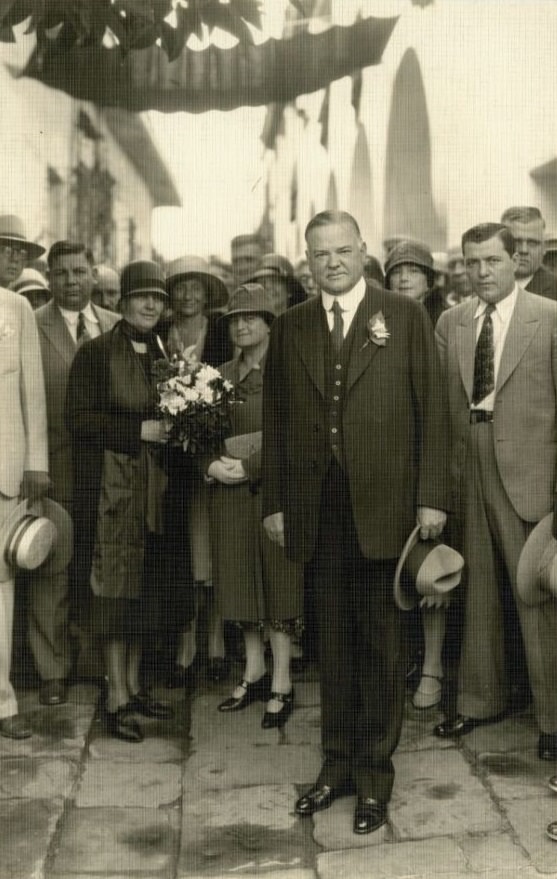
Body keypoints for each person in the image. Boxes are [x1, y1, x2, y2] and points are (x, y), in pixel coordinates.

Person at [262, 210, 449, 834]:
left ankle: (374, 777)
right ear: (307, 261)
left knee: (380, 646)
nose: (333, 262)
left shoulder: (404, 316)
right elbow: (280, 421)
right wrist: (276, 505)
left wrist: (431, 498)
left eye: (344, 250)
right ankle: (335, 766)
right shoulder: (290, 327)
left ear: (363, 251)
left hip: (388, 511)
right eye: (321, 254)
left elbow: (434, 413)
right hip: (320, 513)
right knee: (333, 646)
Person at [433, 223, 557, 761]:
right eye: (472, 262)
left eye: (492, 261)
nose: (482, 272)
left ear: (516, 261)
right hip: (469, 466)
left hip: (530, 471)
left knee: (535, 596)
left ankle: (553, 717)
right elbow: (439, 407)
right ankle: (479, 700)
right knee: (477, 588)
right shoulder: (451, 323)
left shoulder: (549, 320)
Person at [66, 260, 183, 742]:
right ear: (122, 302)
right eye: (142, 297)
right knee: (113, 595)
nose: (151, 304)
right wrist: (138, 430)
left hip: (152, 492)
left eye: (158, 297)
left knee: (144, 593)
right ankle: (115, 696)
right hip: (109, 493)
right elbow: (80, 421)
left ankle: (134, 687)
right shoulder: (95, 354)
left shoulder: (162, 351)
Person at [207, 283, 303, 728]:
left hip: (275, 491)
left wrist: (253, 467)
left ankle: (282, 679)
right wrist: (210, 465)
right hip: (227, 494)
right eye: (234, 319)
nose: (241, 325)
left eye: (251, 318)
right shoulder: (217, 376)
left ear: (270, 324)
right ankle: (254, 669)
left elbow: (301, 433)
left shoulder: (290, 370)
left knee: (280, 579)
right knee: (240, 579)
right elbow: (197, 435)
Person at [32, 242, 118, 706]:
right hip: (56, 466)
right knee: (55, 568)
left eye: (80, 272)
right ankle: (52, 671)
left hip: (109, 469)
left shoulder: (115, 325)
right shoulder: (32, 325)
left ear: (93, 275)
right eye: (62, 273)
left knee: (102, 566)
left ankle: (102, 665)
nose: (71, 281)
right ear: (49, 278)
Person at [384, 240, 448, 710]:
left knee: (433, 570)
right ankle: (405, 659)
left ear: (430, 280)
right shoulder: (382, 321)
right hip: (390, 463)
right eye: (397, 271)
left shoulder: (442, 321)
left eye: (414, 271)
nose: (405, 278)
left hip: (434, 459)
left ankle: (434, 665)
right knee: (397, 568)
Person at [164, 255, 232, 688]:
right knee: (181, 552)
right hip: (170, 459)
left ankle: (217, 640)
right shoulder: (158, 334)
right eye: (181, 287)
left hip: (213, 452)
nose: (189, 295)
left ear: (208, 294)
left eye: (197, 287)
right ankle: (184, 640)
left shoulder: (223, 332)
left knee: (216, 549)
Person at [0, 281, 49, 738]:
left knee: (2, 591)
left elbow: (33, 393)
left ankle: (3, 702)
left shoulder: (14, 308)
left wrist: (37, 463)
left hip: (5, 472)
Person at [501, 206, 557, 300]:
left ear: (544, 248)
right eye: (516, 242)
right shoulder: (482, 286)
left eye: (532, 243)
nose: (524, 250)